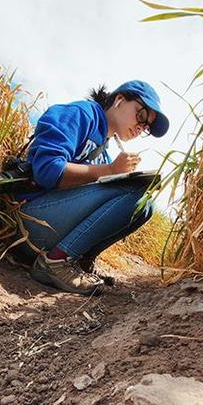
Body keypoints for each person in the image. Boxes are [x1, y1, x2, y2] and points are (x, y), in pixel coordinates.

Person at [14, 80, 169, 295]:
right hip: (31, 225)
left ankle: (78, 261)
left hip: (53, 226)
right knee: (134, 192)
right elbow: (47, 170)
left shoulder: (105, 148)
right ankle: (55, 263)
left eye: (146, 127)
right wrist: (109, 170)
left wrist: (113, 172)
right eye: (141, 115)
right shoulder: (81, 114)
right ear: (120, 100)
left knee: (145, 205)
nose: (141, 127)